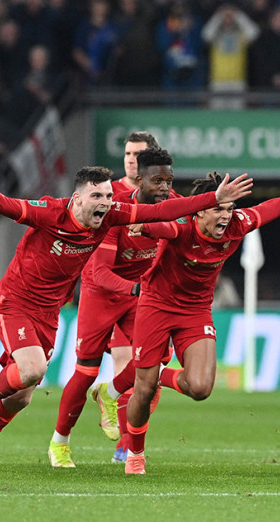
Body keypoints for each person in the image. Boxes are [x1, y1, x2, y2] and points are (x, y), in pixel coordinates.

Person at [0, 140, 252, 480]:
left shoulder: (111, 217)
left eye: (108, 197)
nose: (105, 204)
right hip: (15, 302)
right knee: (32, 370)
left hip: (49, 313)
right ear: (77, 199)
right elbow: (0, 203)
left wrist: (214, 199)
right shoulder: (49, 212)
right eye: (97, 197)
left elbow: (162, 212)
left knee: (20, 398)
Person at [111, 173, 280, 474]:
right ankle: (135, 453)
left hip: (196, 310)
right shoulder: (182, 227)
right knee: (143, 389)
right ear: (200, 210)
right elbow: (161, 225)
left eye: (229, 209)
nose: (226, 216)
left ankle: (160, 373)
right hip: (156, 305)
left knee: (200, 388)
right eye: (218, 209)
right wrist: (143, 227)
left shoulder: (240, 223)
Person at [47, 147, 178, 468]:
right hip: (102, 294)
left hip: (138, 296)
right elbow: (99, 272)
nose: (164, 188)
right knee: (85, 372)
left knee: (157, 360)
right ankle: (60, 442)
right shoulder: (118, 215)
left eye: (168, 181)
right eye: (157, 181)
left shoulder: (173, 205)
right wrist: (136, 288)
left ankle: (112, 396)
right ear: (139, 181)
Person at [99, 129, 158, 450]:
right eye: (127, 155)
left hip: (152, 297)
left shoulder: (162, 195)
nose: (132, 162)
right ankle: (126, 445)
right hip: (114, 293)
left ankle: (126, 440)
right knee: (126, 364)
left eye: (138, 156)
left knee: (152, 372)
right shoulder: (110, 195)